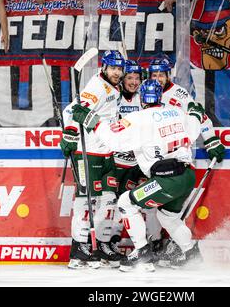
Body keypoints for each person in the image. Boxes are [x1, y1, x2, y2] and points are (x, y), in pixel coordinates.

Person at [72, 79, 209, 272]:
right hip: (187, 176)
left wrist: (91, 121)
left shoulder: (138, 118)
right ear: (160, 96)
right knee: (168, 218)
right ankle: (192, 253)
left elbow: (114, 140)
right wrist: (195, 111)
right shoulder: (178, 113)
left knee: (125, 203)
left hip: (166, 179)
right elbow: (194, 127)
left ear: (142, 98)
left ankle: (142, 253)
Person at [147, 57, 224, 266]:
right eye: (154, 75)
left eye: (161, 75)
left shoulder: (179, 94)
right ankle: (158, 245)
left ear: (168, 75)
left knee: (161, 210)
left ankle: (175, 248)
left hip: (176, 162)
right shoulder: (143, 92)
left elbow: (200, 116)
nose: (157, 79)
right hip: (154, 161)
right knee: (154, 211)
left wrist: (211, 140)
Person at [61, 50, 125, 269]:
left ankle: (102, 245)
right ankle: (79, 249)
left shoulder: (114, 88)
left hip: (106, 152)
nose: (117, 72)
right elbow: (75, 110)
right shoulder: (97, 86)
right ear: (104, 68)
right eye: (113, 68)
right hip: (87, 153)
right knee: (85, 201)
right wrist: (69, 135)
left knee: (109, 200)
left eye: (119, 68)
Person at [110, 59, 164, 256]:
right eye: (129, 77)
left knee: (148, 205)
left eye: (137, 78)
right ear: (122, 79)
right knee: (117, 204)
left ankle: (155, 242)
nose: (133, 82)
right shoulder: (114, 97)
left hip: (142, 163)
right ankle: (112, 241)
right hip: (118, 162)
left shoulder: (147, 99)